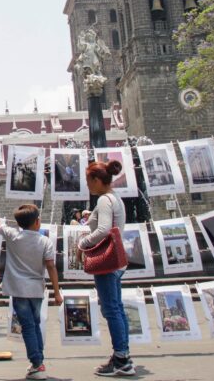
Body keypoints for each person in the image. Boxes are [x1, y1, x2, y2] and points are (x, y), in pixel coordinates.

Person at [0, 200, 62, 381]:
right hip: (36, 289)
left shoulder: (13, 235)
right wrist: (57, 292)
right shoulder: (45, 241)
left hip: (18, 289)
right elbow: (51, 267)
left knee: (28, 327)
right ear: (37, 222)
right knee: (35, 324)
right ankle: (38, 362)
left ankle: (37, 363)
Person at [78, 160, 134, 377]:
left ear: (97, 180)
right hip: (118, 261)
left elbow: (103, 230)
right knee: (116, 308)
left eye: (88, 181)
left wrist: (83, 243)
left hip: (107, 262)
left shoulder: (103, 200)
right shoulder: (114, 197)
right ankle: (123, 355)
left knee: (111, 309)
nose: (87, 185)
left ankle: (121, 359)